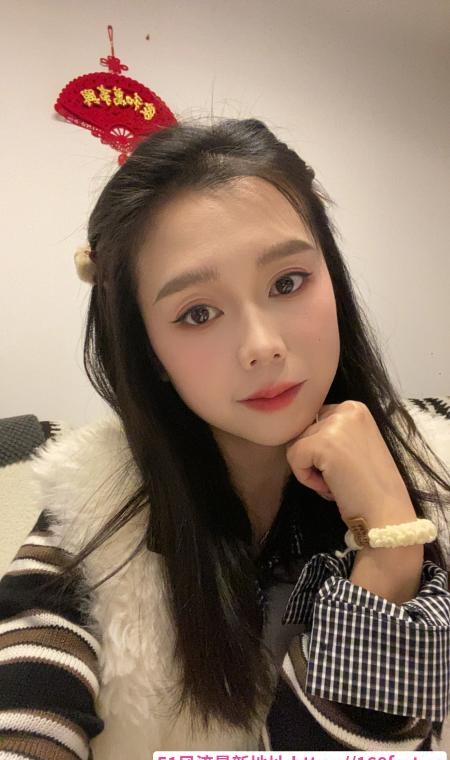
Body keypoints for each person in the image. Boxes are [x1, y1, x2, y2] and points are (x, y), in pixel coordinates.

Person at [1, 118, 449, 759]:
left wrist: (396, 541)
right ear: (149, 349)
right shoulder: (91, 514)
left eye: (287, 282)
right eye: (198, 313)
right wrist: (390, 560)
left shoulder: (433, 471)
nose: (262, 346)